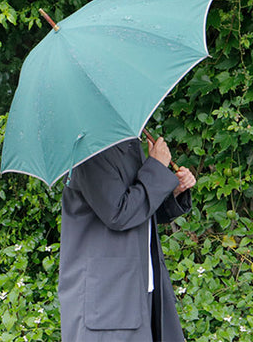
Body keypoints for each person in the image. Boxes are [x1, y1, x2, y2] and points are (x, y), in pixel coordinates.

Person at [58, 135, 196, 342]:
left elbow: (139, 210)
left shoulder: (127, 145)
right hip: (109, 297)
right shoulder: (90, 152)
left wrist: (174, 190)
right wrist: (157, 167)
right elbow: (118, 213)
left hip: (139, 287)